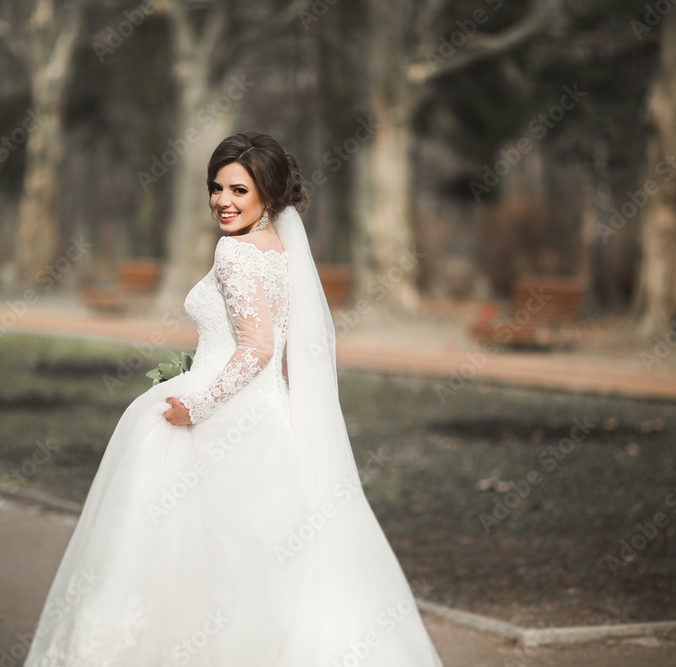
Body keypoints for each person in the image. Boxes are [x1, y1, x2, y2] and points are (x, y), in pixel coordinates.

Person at [22, 131, 443, 666]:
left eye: (239, 190)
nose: (224, 201)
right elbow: (287, 353)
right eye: (217, 187)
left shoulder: (235, 252)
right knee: (257, 566)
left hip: (220, 417)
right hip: (268, 416)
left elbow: (258, 349)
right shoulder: (282, 252)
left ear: (267, 194)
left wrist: (194, 406)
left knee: (178, 558)